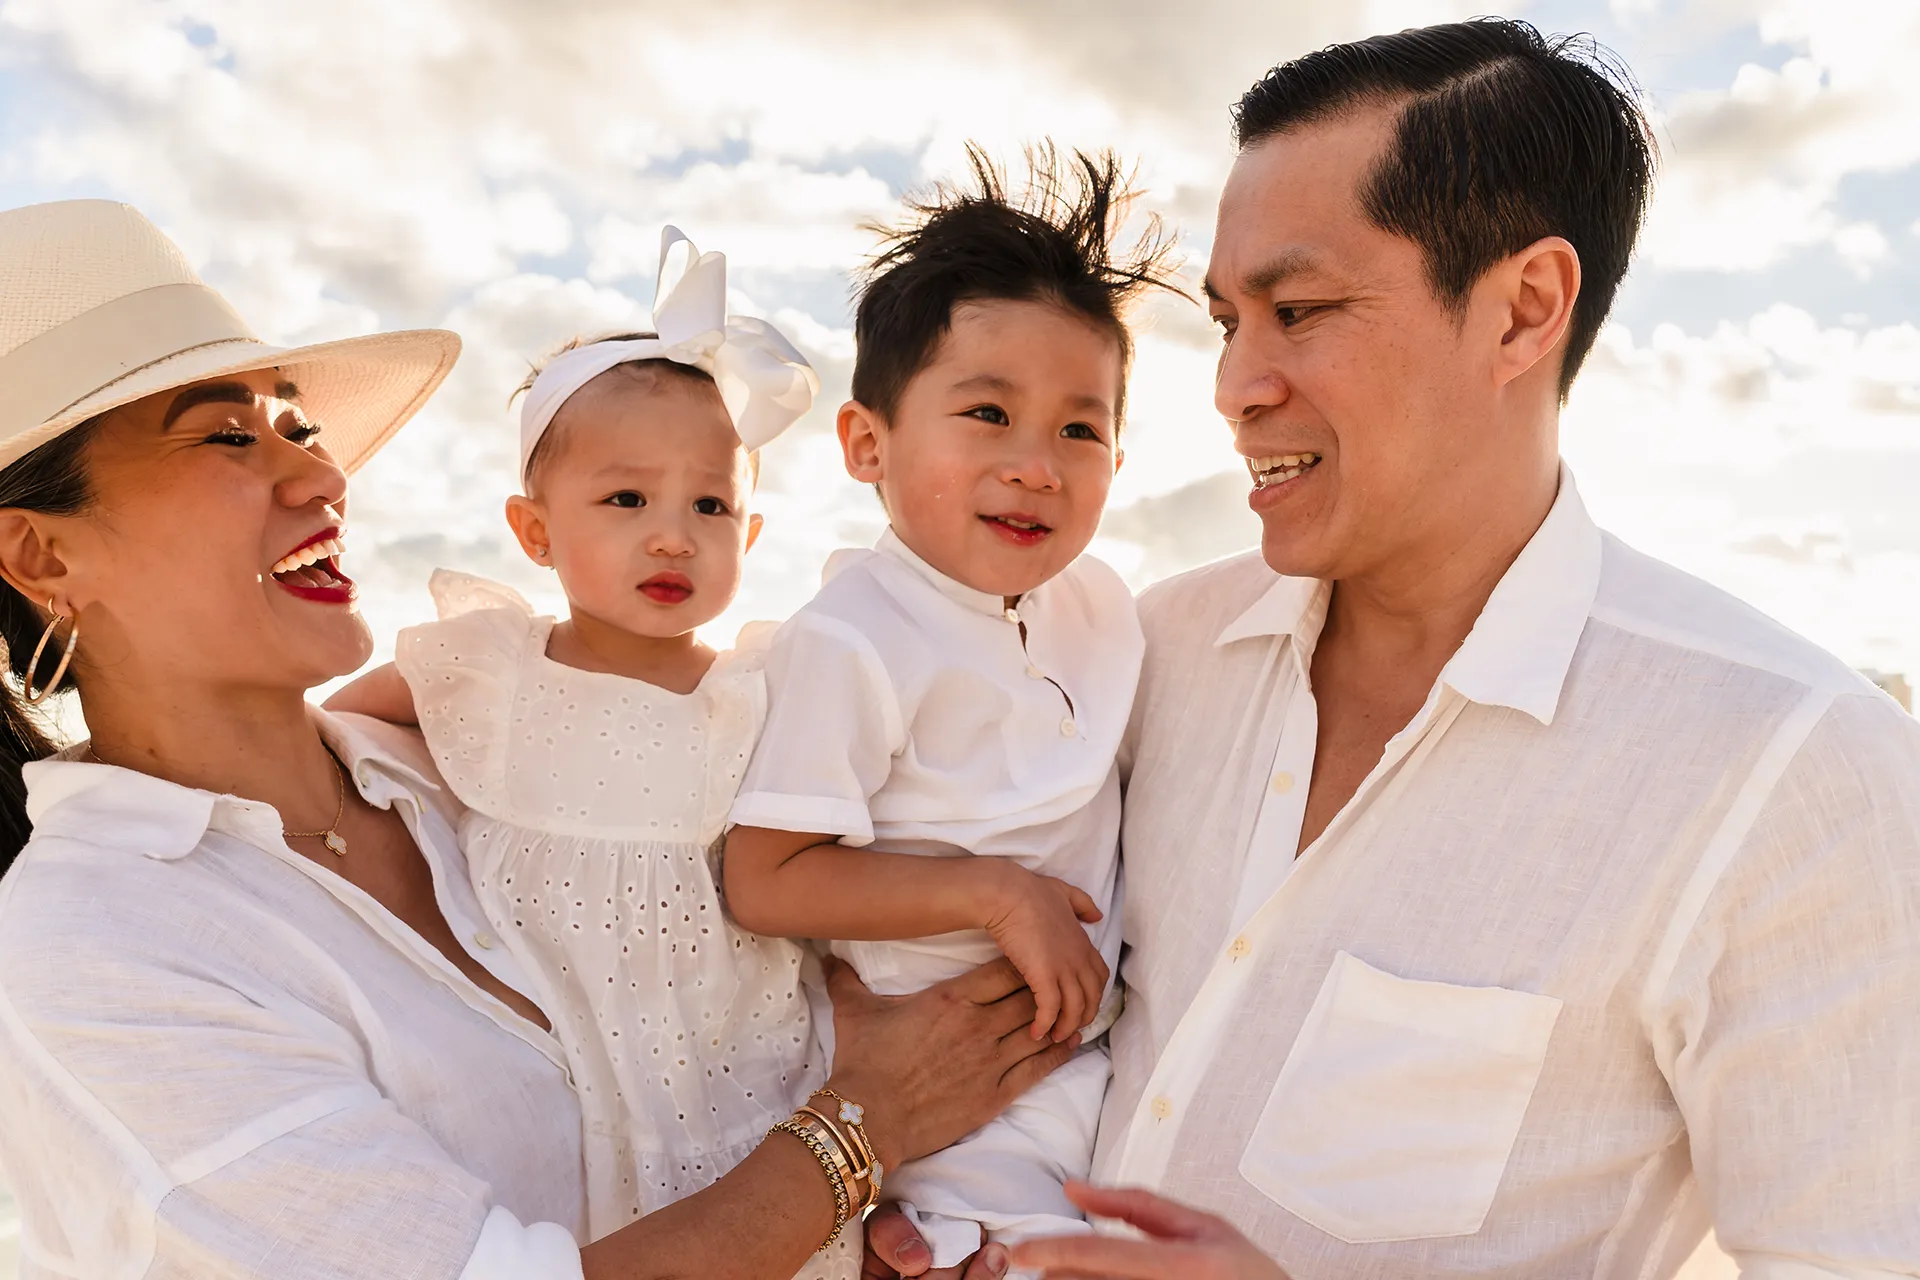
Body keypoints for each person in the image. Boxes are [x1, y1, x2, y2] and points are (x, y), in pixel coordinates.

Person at [873, 18, 1920, 1280]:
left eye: (1299, 310)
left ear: (1524, 310)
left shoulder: (1798, 771)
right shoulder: (1139, 657)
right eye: (1224, 321)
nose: (1234, 385)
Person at [0, 198, 1073, 1280]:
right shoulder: (89, 942)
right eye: (228, 433)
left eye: (300, 425)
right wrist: (861, 1125)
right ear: (42, 555)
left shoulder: (455, 767)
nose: (326, 477)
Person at [325, 225, 873, 1275]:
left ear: (749, 536)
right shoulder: (492, 668)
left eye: (711, 504)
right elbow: (323, 733)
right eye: (626, 498)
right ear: (534, 531)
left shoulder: (761, 689)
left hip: (744, 1076)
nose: (673, 534)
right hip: (564, 1080)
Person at [722, 147, 1183, 1274]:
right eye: (988, 412)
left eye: (1081, 428)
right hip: (954, 1089)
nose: (1037, 464)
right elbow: (766, 874)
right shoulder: (854, 635)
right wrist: (995, 892)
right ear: (867, 443)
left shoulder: (1102, 606)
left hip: (1096, 1068)